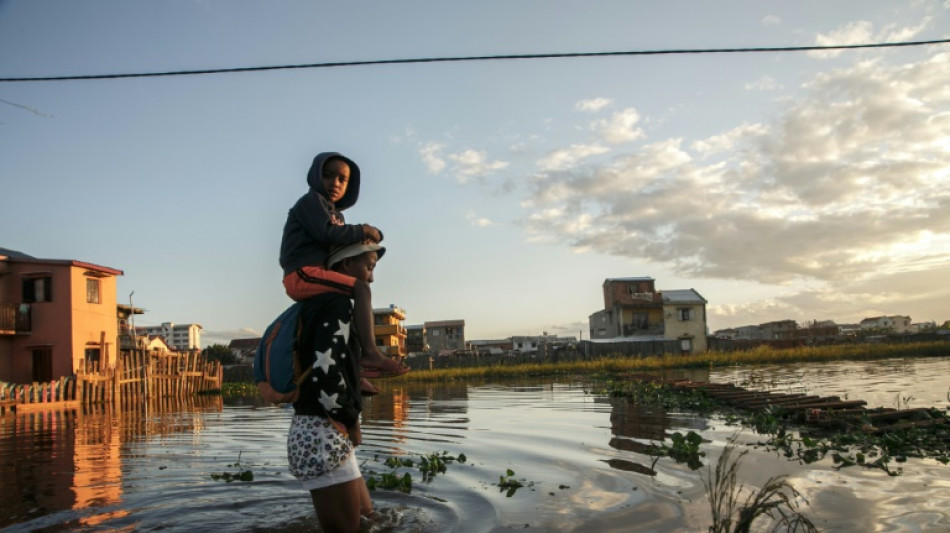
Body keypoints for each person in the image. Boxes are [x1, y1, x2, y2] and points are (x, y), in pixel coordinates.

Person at [288, 241, 398, 532]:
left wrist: (356, 386)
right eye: (369, 267)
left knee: (368, 519)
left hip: (322, 433)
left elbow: (329, 367)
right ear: (347, 264)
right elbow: (326, 376)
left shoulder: (319, 304)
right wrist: (353, 422)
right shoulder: (334, 304)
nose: (371, 277)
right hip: (323, 434)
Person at [279, 151, 403, 391]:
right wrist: (364, 229)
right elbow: (327, 233)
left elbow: (343, 245)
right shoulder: (311, 202)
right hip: (301, 273)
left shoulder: (337, 215)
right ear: (316, 177)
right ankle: (370, 353)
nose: (334, 183)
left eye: (341, 179)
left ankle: (352, 368)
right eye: (328, 176)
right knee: (361, 289)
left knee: (347, 311)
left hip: (318, 273)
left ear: (349, 184)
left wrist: (369, 238)